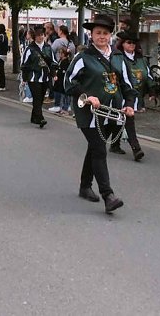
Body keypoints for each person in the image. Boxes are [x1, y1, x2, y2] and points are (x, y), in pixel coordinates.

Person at [65, 15, 134, 213]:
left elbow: (128, 85)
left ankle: (85, 186)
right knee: (99, 149)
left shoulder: (119, 58)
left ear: (110, 35)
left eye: (105, 33)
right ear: (91, 35)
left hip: (112, 112)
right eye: (98, 33)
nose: (101, 36)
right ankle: (108, 195)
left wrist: (129, 104)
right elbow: (68, 82)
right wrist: (87, 96)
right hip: (89, 112)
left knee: (95, 149)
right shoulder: (83, 57)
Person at [110, 31, 153, 161]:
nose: (132, 45)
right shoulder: (117, 57)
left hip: (136, 94)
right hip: (121, 92)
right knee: (128, 118)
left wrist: (152, 90)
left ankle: (115, 144)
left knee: (120, 118)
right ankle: (136, 148)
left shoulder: (141, 58)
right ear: (122, 44)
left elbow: (148, 74)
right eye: (129, 42)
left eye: (134, 43)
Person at [21, 25, 55, 127]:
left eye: (42, 35)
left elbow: (53, 61)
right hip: (33, 77)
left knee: (40, 99)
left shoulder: (48, 48)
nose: (40, 37)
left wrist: (54, 73)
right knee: (36, 97)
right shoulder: (30, 49)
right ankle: (40, 118)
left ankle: (34, 117)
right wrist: (24, 78)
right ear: (34, 37)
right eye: (38, 35)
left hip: (45, 77)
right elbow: (24, 64)